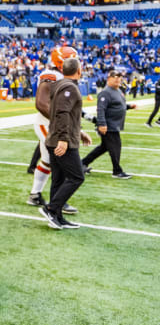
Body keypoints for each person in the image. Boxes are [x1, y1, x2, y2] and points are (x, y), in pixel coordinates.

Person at [39, 58, 92, 230]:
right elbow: (62, 113)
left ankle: (57, 216)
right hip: (62, 140)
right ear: (78, 70)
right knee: (77, 176)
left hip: (57, 138)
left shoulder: (61, 85)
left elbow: (65, 113)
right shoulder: (69, 87)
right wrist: (64, 138)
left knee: (59, 179)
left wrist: (79, 132)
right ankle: (51, 209)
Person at [26, 46, 79, 214]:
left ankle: (35, 194)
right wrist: (62, 123)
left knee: (48, 160)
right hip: (47, 124)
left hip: (53, 124)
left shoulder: (62, 77)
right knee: (62, 161)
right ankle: (58, 202)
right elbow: (41, 103)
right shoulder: (52, 75)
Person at [82, 70, 136, 179]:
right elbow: (101, 109)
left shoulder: (118, 91)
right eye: (114, 76)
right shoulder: (106, 92)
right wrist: (101, 124)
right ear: (109, 79)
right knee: (116, 147)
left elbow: (118, 105)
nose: (117, 78)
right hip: (108, 126)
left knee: (103, 147)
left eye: (119, 76)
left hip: (114, 125)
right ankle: (117, 171)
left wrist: (129, 106)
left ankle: (81, 164)